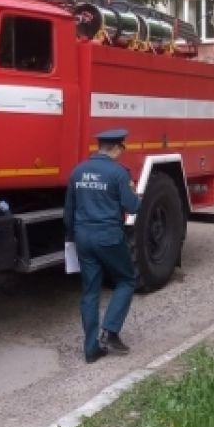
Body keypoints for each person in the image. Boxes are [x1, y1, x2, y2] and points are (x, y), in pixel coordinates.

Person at [63, 128, 141, 364]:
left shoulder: (78, 171)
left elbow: (69, 212)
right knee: (127, 279)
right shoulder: (118, 173)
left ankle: (91, 349)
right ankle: (110, 330)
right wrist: (136, 195)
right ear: (117, 148)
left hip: (83, 236)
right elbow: (133, 207)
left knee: (90, 291)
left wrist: (72, 237)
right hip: (108, 236)